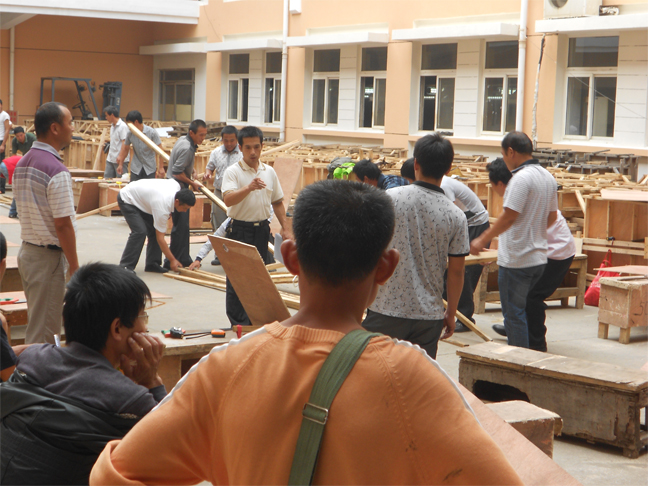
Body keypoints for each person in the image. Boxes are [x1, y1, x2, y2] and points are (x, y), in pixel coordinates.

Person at [89, 180, 523, 486]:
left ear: (290, 259)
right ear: (386, 267)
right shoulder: (413, 378)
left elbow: (114, 475)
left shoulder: (226, 369)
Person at [1, 263, 167, 485]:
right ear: (117, 328)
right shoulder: (131, 401)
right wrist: (151, 381)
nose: (145, 329)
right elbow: (172, 450)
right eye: (142, 316)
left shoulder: (32, 359)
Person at [362, 134, 469, 359]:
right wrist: (451, 313)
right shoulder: (456, 215)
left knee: (375, 372)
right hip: (428, 318)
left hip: (386, 310)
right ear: (449, 168)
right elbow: (457, 272)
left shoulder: (388, 199)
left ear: (416, 164)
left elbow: (365, 249)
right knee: (418, 378)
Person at [470, 132, 558, 349]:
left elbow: (509, 216)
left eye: (503, 154)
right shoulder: (547, 177)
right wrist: (533, 232)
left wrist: (482, 239)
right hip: (538, 258)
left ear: (511, 152)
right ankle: (530, 356)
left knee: (513, 315)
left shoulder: (520, 179)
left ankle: (517, 362)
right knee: (523, 310)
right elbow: (552, 217)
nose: (504, 160)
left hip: (518, 260)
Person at [487, 158, 576, 351]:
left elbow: (517, 228)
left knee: (530, 297)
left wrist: (482, 241)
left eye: (493, 186)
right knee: (522, 300)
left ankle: (535, 345)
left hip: (556, 252)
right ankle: (518, 329)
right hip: (546, 250)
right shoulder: (526, 189)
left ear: (501, 184)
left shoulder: (519, 193)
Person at [13, 102, 79, 344]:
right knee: (45, 335)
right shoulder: (56, 170)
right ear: (55, 128)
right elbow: (62, 225)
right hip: (48, 259)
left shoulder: (23, 162)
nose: (73, 128)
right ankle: (35, 369)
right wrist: (74, 265)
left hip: (29, 253)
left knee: (38, 322)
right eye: (70, 122)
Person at [221, 126, 292, 326]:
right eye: (248, 148)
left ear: (262, 146)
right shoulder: (233, 172)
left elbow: (277, 202)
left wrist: (286, 228)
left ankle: (253, 319)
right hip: (239, 230)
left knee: (257, 278)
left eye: (257, 147)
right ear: (240, 148)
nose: (253, 152)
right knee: (237, 278)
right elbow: (228, 199)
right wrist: (249, 187)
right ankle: (238, 323)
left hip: (261, 230)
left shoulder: (269, 172)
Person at [440, 174, 490, 332]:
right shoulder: (437, 182)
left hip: (475, 225)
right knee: (447, 270)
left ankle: (466, 318)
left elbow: (451, 214)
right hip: (464, 224)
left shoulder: (443, 185)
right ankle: (443, 313)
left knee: (464, 270)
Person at [118, 179, 196, 274]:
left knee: (155, 230)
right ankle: (125, 267)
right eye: (184, 208)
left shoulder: (176, 186)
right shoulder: (162, 207)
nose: (184, 211)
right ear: (177, 201)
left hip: (145, 200)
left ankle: (152, 264)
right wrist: (172, 260)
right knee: (140, 232)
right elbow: (161, 239)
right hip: (128, 199)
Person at [163, 119, 207, 269]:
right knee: (180, 228)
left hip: (176, 185)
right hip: (178, 188)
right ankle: (172, 261)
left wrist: (191, 169)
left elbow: (180, 164)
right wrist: (192, 183)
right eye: (200, 135)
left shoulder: (183, 140)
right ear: (191, 133)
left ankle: (183, 258)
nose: (203, 138)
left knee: (182, 227)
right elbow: (176, 172)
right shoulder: (187, 148)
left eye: (204, 135)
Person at [204, 125, 243, 265]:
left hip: (237, 194)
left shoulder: (242, 154)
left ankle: (235, 255)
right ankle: (220, 256)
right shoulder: (216, 153)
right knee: (218, 223)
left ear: (237, 139)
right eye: (226, 140)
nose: (229, 143)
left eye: (232, 140)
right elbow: (210, 167)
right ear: (222, 139)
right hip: (219, 193)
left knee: (237, 224)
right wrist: (208, 173)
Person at [116, 110, 165, 181]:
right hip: (136, 168)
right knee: (134, 187)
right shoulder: (130, 133)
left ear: (136, 122)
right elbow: (125, 149)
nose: (129, 127)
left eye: (129, 124)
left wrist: (161, 167)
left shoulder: (152, 133)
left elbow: (160, 151)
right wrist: (120, 164)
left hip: (149, 168)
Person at [103, 105, 129, 179]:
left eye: (106, 115)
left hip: (120, 159)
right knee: (107, 179)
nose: (106, 118)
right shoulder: (112, 126)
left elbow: (125, 142)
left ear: (112, 115)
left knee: (121, 180)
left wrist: (121, 156)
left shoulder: (122, 126)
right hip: (111, 158)